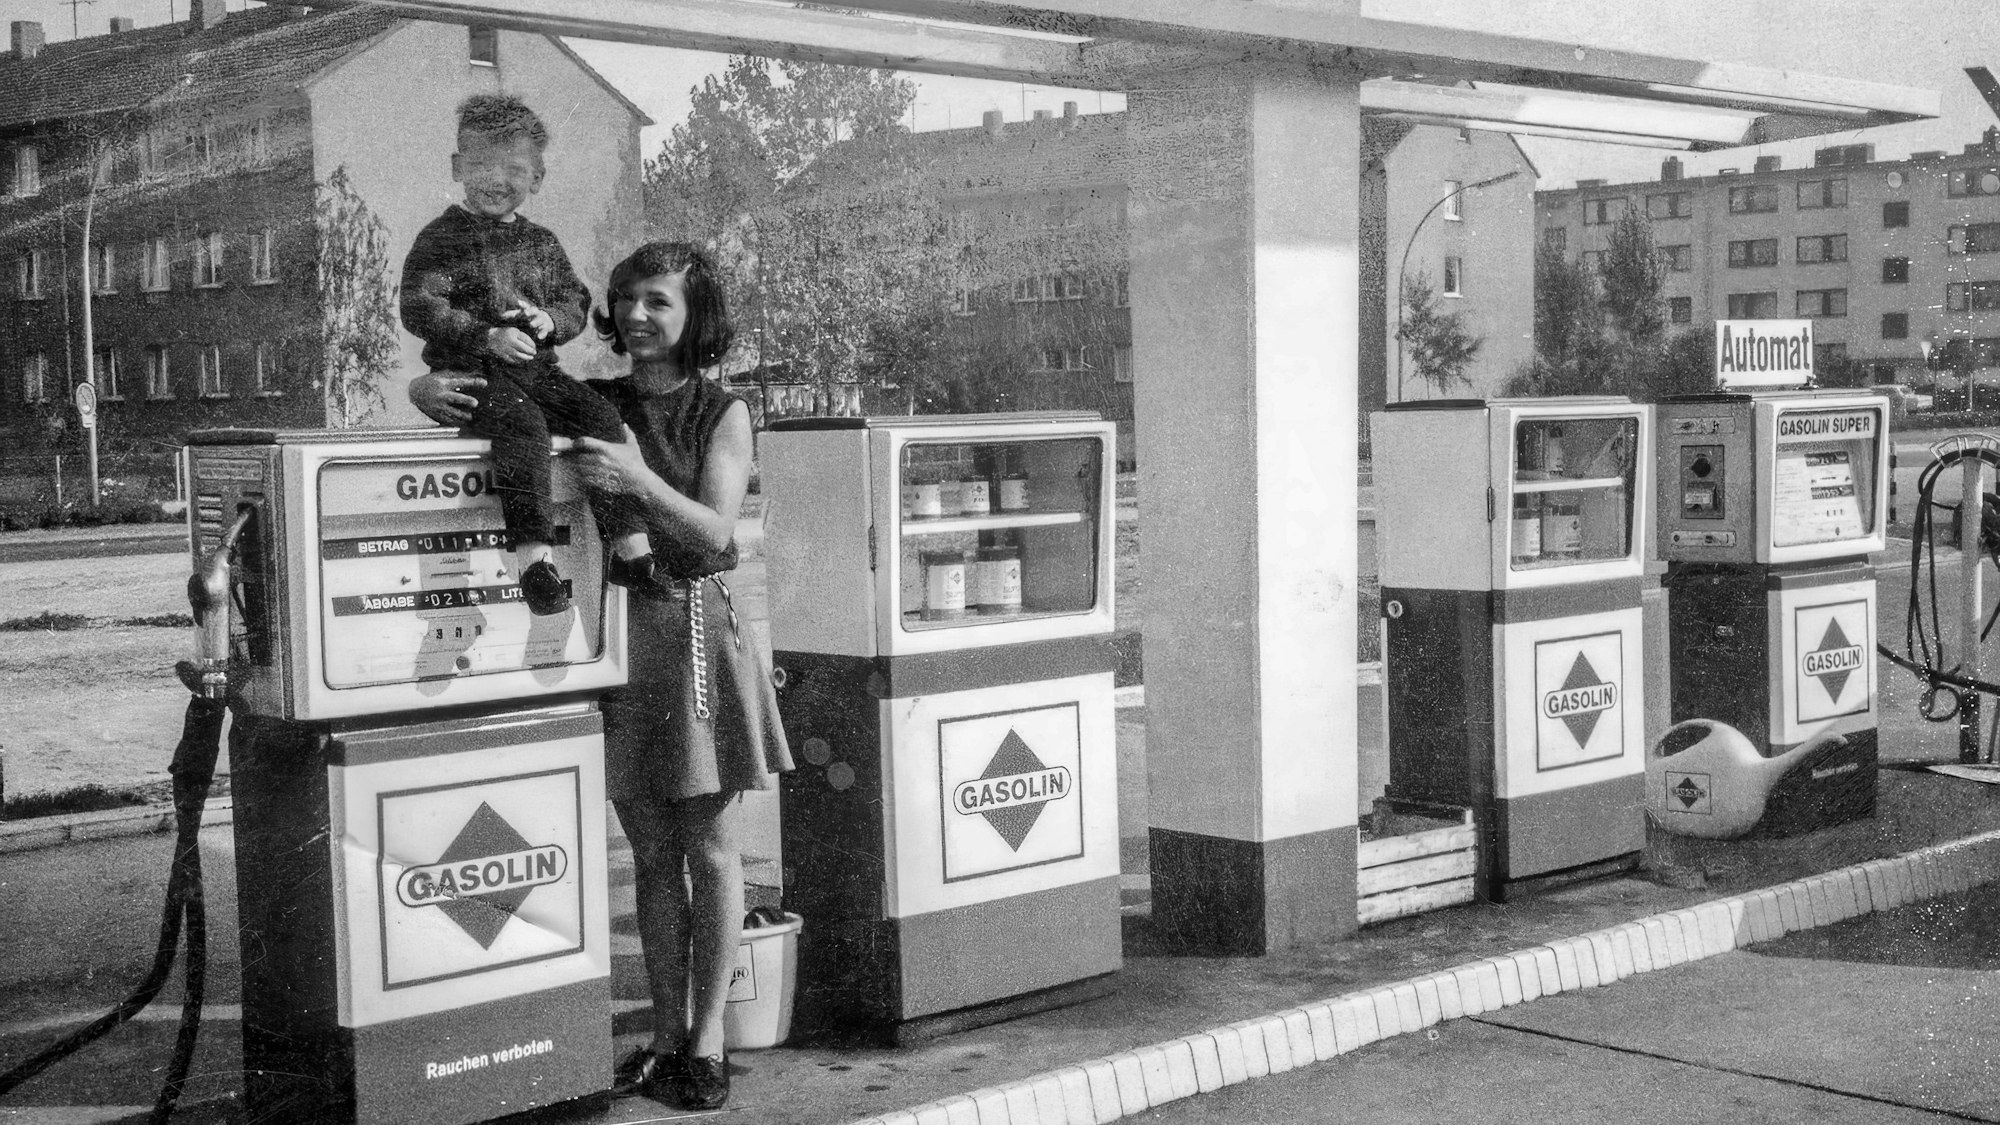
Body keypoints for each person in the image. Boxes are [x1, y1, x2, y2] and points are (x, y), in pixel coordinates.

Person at [410, 241, 793, 1111]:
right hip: (617, 629)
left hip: (695, 628)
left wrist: (637, 480)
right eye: (625, 300)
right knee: (650, 851)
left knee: (709, 844)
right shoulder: (598, 398)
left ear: (697, 314)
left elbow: (713, 528)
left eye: (658, 301)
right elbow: (499, 422)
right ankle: (661, 1036)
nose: (638, 317)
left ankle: (708, 1042)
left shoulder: (721, 410)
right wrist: (424, 390)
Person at [400, 92, 656, 616]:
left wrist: (551, 320)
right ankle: (534, 563)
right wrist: (482, 337)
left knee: (600, 416)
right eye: (481, 165)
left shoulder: (542, 242)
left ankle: (631, 547)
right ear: (457, 167)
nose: (497, 179)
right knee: (523, 429)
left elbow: (575, 299)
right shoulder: (442, 238)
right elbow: (420, 305)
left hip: (537, 369)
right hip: (474, 374)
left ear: (537, 178)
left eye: (514, 168)